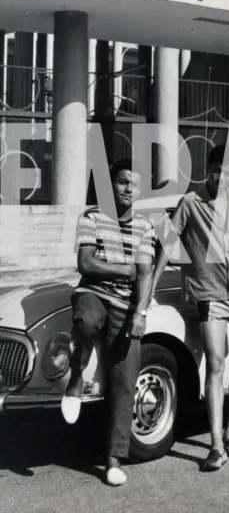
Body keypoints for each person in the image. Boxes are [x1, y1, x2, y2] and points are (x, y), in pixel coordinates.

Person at [151, 144, 229, 471]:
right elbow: (167, 244)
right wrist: (149, 291)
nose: (221, 176)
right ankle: (215, 445)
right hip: (211, 294)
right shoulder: (191, 202)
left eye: (227, 171)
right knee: (215, 362)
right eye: (216, 170)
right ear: (208, 169)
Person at [61, 159, 156, 486]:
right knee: (85, 322)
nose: (129, 189)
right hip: (92, 293)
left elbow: (145, 274)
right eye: (122, 182)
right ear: (111, 185)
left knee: (126, 377)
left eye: (135, 184)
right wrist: (124, 269)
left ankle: (114, 458)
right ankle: (75, 379)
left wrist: (141, 312)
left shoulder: (145, 227)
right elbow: (86, 263)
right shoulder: (91, 217)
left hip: (126, 304)